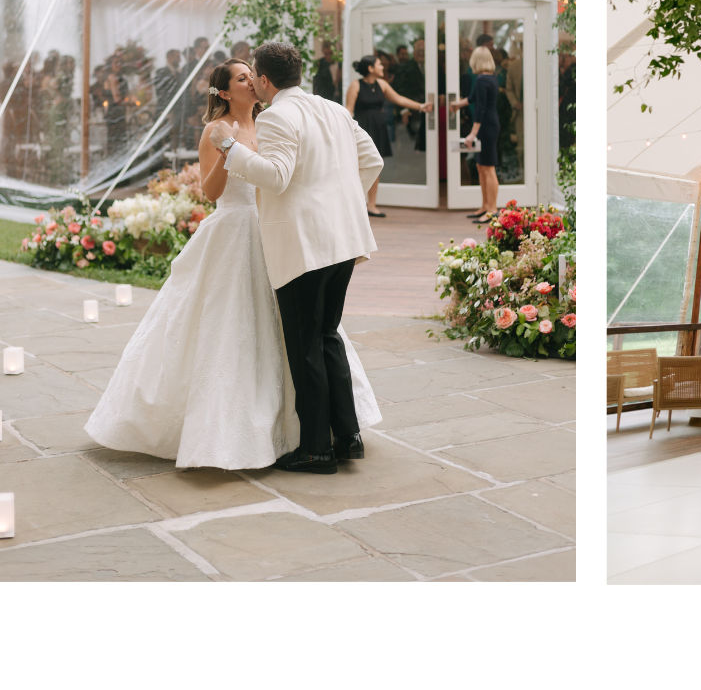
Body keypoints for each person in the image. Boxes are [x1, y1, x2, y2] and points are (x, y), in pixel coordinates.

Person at [85, 57, 383, 473]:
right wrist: (228, 151)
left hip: (282, 233)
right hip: (239, 231)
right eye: (240, 78)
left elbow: (281, 176)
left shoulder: (275, 118)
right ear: (225, 92)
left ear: (263, 82)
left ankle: (316, 437)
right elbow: (211, 192)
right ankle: (305, 434)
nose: (249, 82)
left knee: (306, 336)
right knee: (255, 330)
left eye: (251, 76)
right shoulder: (217, 129)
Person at [345, 55, 428, 217]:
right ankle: (356, 205)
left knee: (374, 165)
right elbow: (349, 110)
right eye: (379, 64)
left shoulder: (382, 84)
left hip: (378, 128)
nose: (383, 67)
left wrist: (421, 106)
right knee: (356, 167)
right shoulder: (355, 85)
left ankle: (372, 205)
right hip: (362, 128)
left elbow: (399, 100)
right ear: (370, 68)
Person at [448, 46, 499, 221]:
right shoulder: (490, 78)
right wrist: (458, 104)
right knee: (481, 166)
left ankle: (492, 209)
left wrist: (472, 133)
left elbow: (480, 108)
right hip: (490, 124)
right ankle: (485, 206)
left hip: (486, 126)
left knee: (488, 168)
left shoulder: (480, 79)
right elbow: (473, 98)